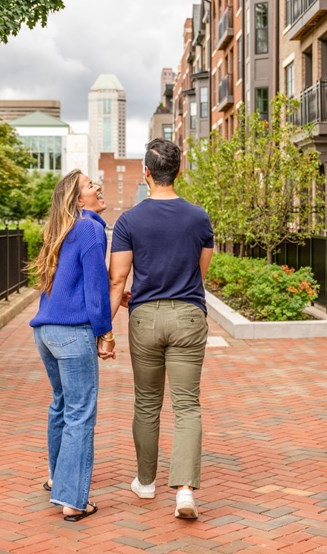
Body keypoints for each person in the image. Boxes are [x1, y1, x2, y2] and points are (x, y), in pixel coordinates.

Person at [109, 138, 214, 520]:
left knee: (147, 402)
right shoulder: (199, 217)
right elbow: (200, 274)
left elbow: (117, 279)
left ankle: (146, 482)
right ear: (179, 170)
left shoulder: (129, 220)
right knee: (187, 405)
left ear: (147, 173)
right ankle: (184, 490)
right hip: (187, 314)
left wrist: (107, 327)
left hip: (145, 317)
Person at [28, 170, 117, 522]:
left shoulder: (60, 230)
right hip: (71, 330)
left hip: (45, 330)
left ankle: (57, 477)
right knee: (80, 413)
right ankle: (73, 500)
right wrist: (105, 333)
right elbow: (96, 288)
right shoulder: (91, 228)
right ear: (79, 200)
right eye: (90, 185)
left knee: (61, 406)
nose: (98, 186)